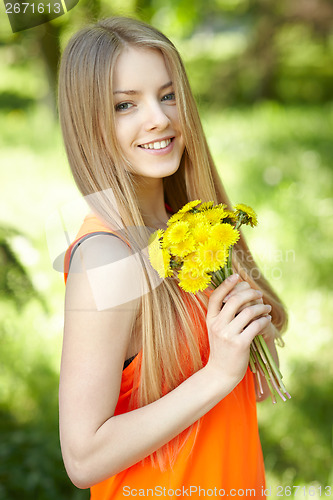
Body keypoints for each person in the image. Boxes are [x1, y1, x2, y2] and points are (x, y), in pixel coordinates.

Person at [57, 16, 287, 499]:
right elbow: (83, 457)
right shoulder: (107, 258)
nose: (159, 118)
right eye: (125, 105)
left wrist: (249, 336)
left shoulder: (184, 226)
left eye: (168, 95)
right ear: (87, 123)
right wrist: (218, 374)